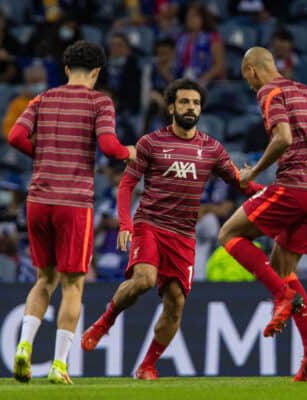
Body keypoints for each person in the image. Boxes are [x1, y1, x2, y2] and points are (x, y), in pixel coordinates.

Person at [80, 78, 262, 379]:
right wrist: (126, 223)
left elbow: (239, 182)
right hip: (150, 224)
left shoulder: (212, 148)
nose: (191, 108)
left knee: (176, 301)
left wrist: (266, 193)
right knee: (144, 280)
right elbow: (126, 186)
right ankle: (105, 322)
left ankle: (148, 364)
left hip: (183, 234)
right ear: (171, 107)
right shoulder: (150, 143)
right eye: (184, 102)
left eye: (195, 103)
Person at [217, 47, 307, 382]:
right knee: (283, 268)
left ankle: (280, 295)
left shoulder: (269, 91)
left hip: (293, 186)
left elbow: (283, 137)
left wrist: (254, 173)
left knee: (228, 234)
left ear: (251, 69)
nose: (247, 82)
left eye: (245, 74)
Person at [8, 40, 136, 384]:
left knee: (43, 280)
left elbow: (15, 136)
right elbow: (109, 147)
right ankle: (58, 365)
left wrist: (43, 155)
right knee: (73, 285)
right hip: (74, 203)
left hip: (38, 201)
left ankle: (23, 347)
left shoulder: (43, 98)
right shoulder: (99, 101)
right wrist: (130, 152)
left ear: (66, 69)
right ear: (96, 72)